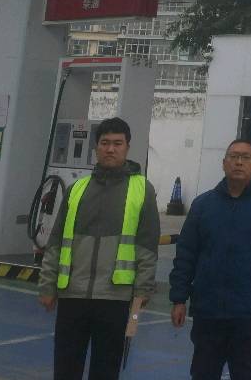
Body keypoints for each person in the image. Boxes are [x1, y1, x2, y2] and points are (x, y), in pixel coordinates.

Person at [39, 117, 161, 380]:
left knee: (106, 370)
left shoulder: (142, 189)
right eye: (105, 143)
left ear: (127, 147)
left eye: (117, 143)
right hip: (73, 295)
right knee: (65, 368)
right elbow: (56, 241)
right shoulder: (77, 188)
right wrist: (47, 285)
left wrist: (142, 290)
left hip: (115, 298)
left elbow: (147, 245)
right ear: (96, 147)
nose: (110, 149)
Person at [169, 137, 251, 380]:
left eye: (245, 157)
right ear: (224, 163)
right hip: (209, 312)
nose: (239, 162)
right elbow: (186, 255)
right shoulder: (203, 205)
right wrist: (179, 298)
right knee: (203, 374)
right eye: (234, 157)